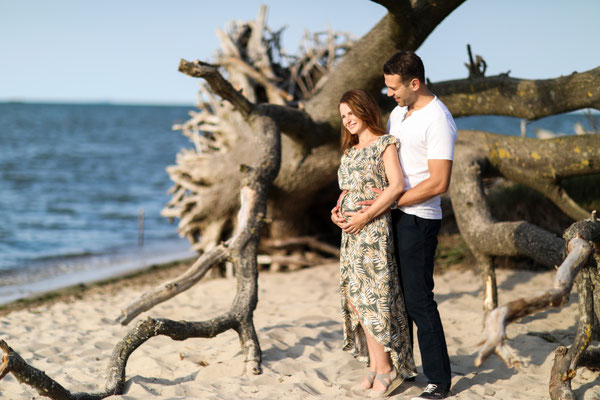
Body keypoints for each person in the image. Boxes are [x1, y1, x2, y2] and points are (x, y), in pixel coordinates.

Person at [332, 52, 457, 400]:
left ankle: (438, 380)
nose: (388, 93)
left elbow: (439, 182)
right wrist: (351, 204)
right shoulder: (399, 113)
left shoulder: (438, 119)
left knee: (419, 299)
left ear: (414, 83)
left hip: (420, 218)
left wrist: (383, 202)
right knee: (392, 297)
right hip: (391, 216)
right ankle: (400, 365)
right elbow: (379, 167)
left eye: (393, 87)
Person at [332, 89, 416, 397]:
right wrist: (336, 212)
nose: (348, 120)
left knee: (374, 299)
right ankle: (375, 366)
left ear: (364, 109)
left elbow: (396, 187)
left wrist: (364, 217)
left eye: (351, 113)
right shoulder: (350, 151)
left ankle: (386, 369)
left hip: (373, 231)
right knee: (357, 300)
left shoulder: (385, 143)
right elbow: (346, 191)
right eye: (343, 117)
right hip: (350, 234)